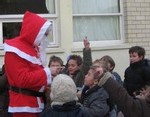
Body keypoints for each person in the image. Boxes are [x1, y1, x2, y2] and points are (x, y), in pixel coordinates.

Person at [4, 11, 57, 117]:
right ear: (36, 33)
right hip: (24, 105)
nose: (46, 38)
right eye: (45, 35)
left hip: (35, 102)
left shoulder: (33, 49)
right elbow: (22, 80)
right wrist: (48, 72)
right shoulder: (15, 50)